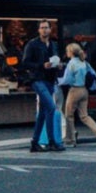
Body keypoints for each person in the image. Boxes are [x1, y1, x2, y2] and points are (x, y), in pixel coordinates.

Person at [22, 20, 65, 153]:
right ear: (38, 30)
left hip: (50, 80)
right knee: (51, 108)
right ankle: (52, 141)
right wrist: (42, 65)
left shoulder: (54, 45)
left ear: (50, 30)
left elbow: (57, 58)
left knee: (42, 113)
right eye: (42, 28)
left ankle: (35, 143)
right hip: (37, 80)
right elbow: (25, 62)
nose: (44, 30)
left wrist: (59, 65)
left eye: (46, 28)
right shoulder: (32, 44)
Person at [58, 43, 96, 147]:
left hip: (74, 90)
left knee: (69, 115)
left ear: (70, 52)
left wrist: (58, 82)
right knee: (84, 115)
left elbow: (68, 79)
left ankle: (71, 138)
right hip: (84, 90)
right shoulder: (84, 62)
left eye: (67, 51)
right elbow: (94, 74)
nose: (66, 53)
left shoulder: (71, 64)